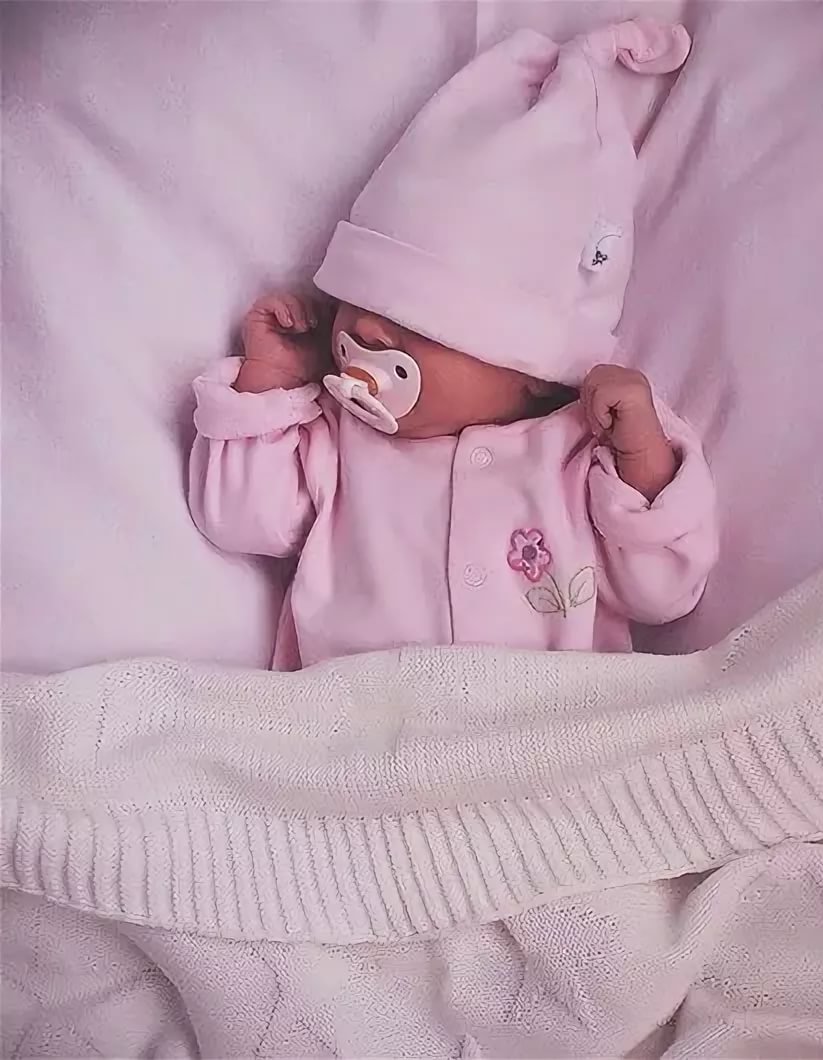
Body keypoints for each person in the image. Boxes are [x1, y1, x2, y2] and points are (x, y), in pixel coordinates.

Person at [189, 18, 718, 669]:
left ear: (534, 370)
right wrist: (270, 376)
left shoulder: (577, 456)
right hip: (360, 720)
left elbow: (663, 592)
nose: (367, 330)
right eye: (361, 300)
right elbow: (238, 519)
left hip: (549, 721)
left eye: (418, 320)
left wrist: (642, 457)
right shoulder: (336, 444)